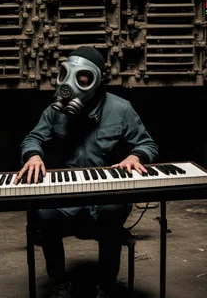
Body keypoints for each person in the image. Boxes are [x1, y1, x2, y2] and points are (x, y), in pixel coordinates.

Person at [15, 46, 158, 298]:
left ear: (98, 79)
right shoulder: (55, 111)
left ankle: (106, 282)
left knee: (112, 214)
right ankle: (59, 280)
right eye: (69, 75)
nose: (75, 83)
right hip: (68, 197)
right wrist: (34, 154)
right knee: (44, 215)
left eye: (84, 77)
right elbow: (32, 138)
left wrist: (135, 156)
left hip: (107, 195)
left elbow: (147, 144)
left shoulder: (121, 109)